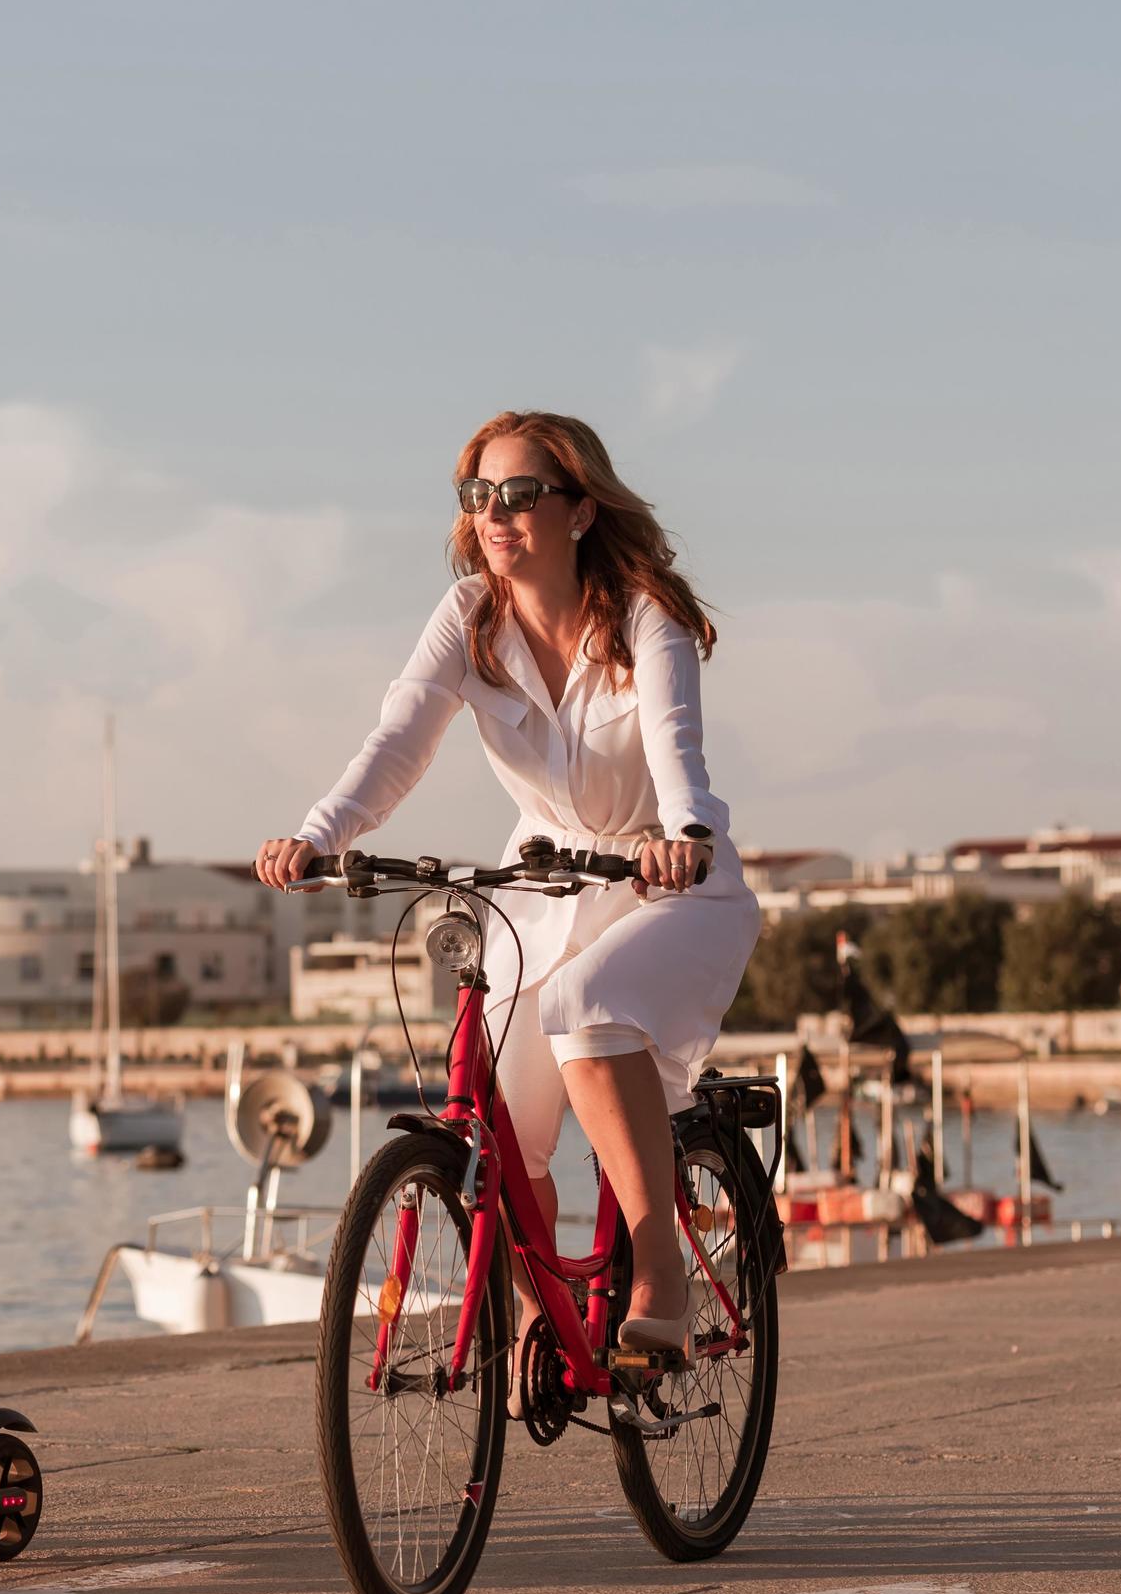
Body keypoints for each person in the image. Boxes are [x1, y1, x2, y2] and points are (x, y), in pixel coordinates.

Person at [254, 412, 760, 1360]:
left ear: (578, 510)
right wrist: (320, 837)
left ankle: (662, 1268)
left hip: (667, 881)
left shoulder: (644, 617)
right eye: (479, 495)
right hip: (548, 881)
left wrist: (683, 833)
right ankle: (540, 1325)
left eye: (522, 495)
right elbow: (397, 742)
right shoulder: (469, 617)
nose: (497, 514)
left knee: (585, 1005)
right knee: (501, 1139)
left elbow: (674, 748)